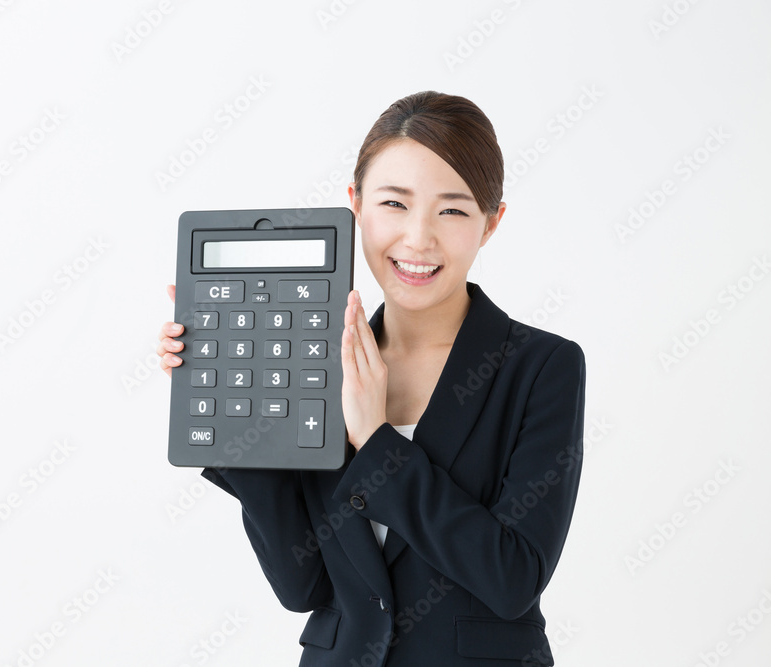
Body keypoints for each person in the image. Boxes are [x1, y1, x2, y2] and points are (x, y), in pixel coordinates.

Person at [156, 91, 585, 666]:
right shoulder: (313, 359)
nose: (418, 238)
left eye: (452, 210)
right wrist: (230, 395)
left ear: (491, 223)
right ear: (356, 205)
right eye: (394, 204)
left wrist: (377, 442)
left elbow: (512, 578)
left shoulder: (540, 368)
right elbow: (301, 586)